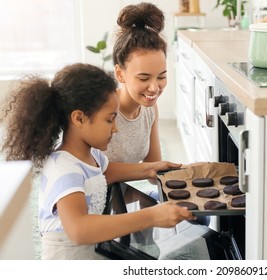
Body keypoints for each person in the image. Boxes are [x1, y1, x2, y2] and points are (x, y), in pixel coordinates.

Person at [0, 63, 195, 259]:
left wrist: (151, 169)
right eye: (110, 119)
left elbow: (107, 172)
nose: (115, 128)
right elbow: (79, 229)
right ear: (79, 118)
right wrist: (151, 216)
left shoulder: (92, 155)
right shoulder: (64, 169)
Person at [104, 2, 166, 174]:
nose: (154, 88)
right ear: (120, 73)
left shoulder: (150, 109)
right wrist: (148, 170)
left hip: (124, 198)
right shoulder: (102, 110)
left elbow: (155, 169)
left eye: (161, 76)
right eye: (144, 78)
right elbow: (94, 173)